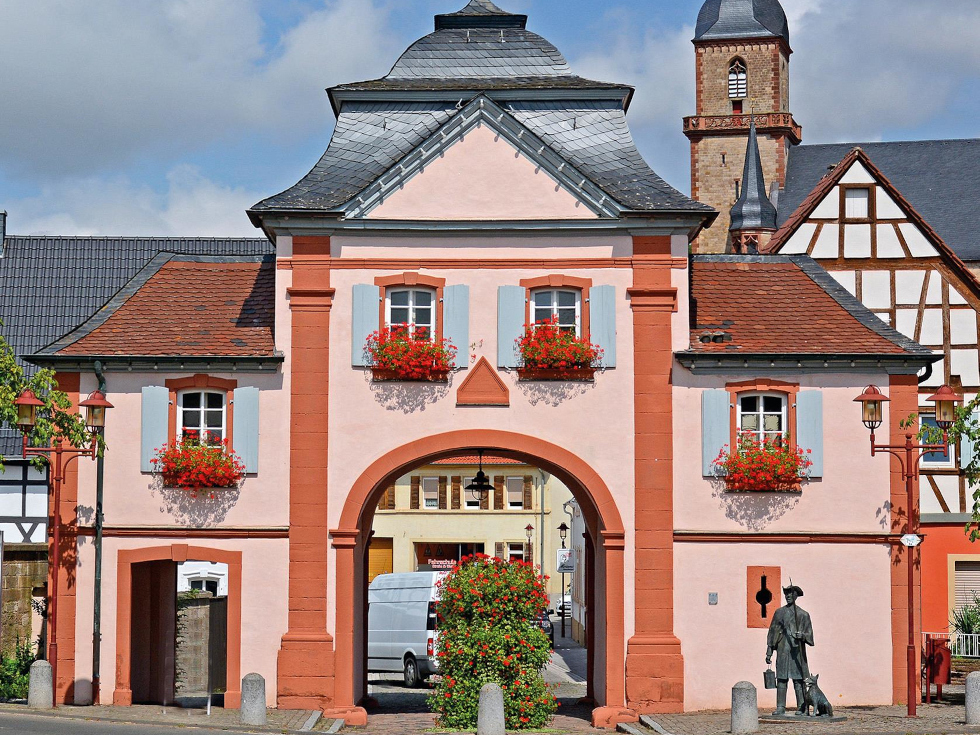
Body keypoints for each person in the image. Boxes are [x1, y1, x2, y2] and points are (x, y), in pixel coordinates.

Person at [765, 584, 814, 715]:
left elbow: (810, 635)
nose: (788, 596)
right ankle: (780, 706)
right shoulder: (779, 613)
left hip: (796, 651)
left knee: (798, 680)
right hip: (782, 649)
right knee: (781, 679)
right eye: (786, 594)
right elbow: (772, 631)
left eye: (790, 593)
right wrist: (769, 651)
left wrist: (802, 636)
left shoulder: (803, 615)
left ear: (796, 596)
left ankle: (801, 706)